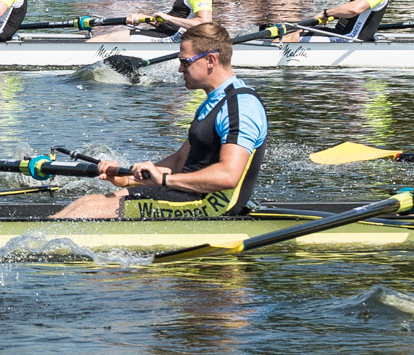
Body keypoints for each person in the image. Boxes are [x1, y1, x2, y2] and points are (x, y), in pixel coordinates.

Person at [51, 22, 266, 219]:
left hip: (213, 206)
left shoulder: (241, 106)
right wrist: (127, 177)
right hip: (188, 194)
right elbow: (179, 162)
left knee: (89, 209)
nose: (180, 69)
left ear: (211, 61)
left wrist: (164, 181)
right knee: (88, 201)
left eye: (185, 62)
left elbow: (228, 176)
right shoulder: (213, 102)